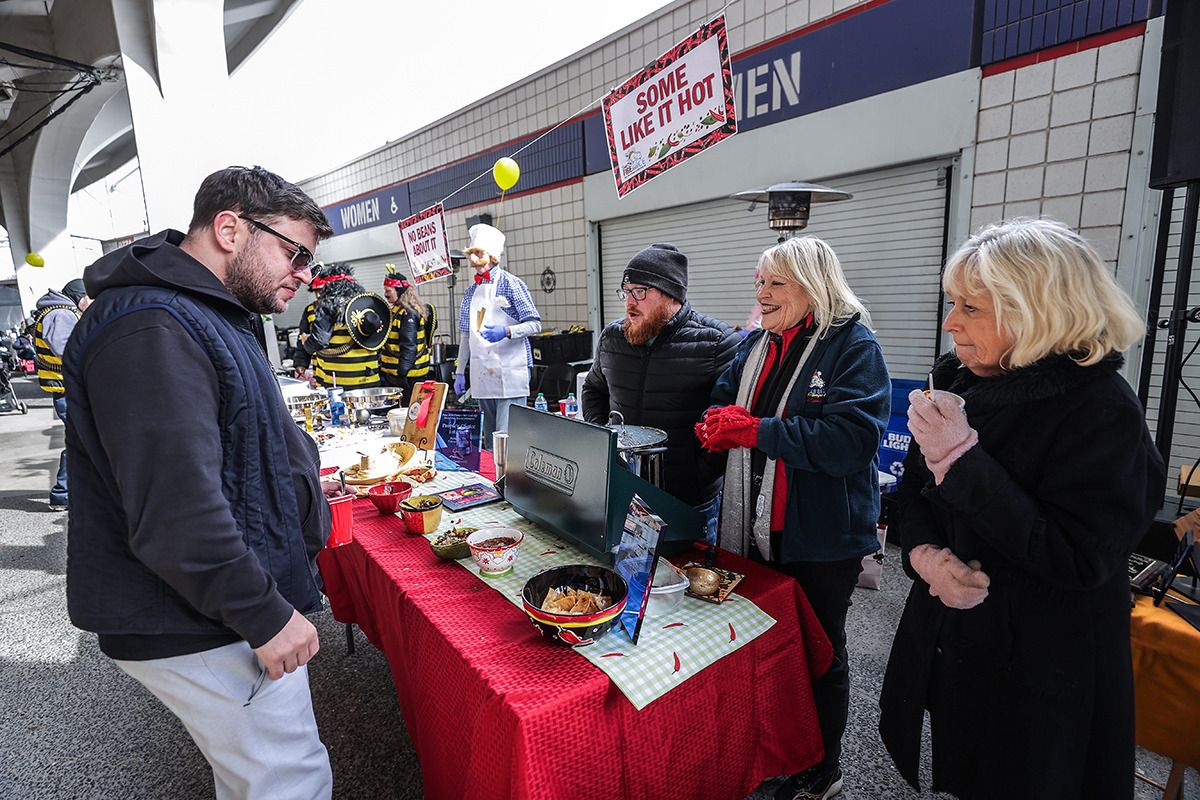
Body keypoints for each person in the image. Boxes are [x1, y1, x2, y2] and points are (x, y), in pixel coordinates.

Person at [63, 165, 341, 799]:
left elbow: (232, 443)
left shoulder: (203, 313)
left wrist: (293, 488)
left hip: (206, 606)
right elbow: (176, 508)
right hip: (201, 616)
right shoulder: (153, 324)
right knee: (286, 779)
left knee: (257, 777)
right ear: (229, 229)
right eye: (295, 253)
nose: (305, 275)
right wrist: (265, 615)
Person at [878, 217, 1165, 800]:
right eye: (951, 301)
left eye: (970, 308)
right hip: (963, 648)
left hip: (1045, 668)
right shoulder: (962, 375)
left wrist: (960, 459)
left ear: (1038, 311)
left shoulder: (1101, 408)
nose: (949, 322)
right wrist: (927, 558)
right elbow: (913, 498)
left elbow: (1081, 558)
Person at [696, 235, 890, 800]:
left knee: (819, 653)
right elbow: (722, 393)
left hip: (821, 535)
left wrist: (756, 431)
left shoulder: (854, 346)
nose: (762, 293)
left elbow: (850, 442)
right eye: (759, 282)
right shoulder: (757, 342)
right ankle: (774, 748)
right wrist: (713, 420)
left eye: (775, 283)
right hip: (753, 527)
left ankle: (822, 769)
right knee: (767, 648)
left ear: (814, 285)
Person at [581, 243, 740, 537]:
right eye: (626, 291)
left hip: (689, 502)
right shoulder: (613, 337)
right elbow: (593, 388)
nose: (629, 301)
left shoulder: (718, 342)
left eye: (639, 292)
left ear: (670, 296)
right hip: (624, 493)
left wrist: (696, 475)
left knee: (692, 580)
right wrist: (602, 440)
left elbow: (729, 422)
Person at [452, 223, 541, 447]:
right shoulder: (470, 291)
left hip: (512, 371)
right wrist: (460, 372)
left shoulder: (511, 284)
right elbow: (465, 335)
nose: (473, 261)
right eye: (471, 254)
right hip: (483, 373)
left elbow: (534, 324)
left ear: (492, 256)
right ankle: (490, 480)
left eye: (478, 254)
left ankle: (508, 481)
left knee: (506, 439)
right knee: (489, 441)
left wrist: (507, 331)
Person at [32, 278, 89, 511]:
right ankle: (62, 493)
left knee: (83, 440)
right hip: (68, 390)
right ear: (79, 296)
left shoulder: (61, 311)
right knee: (82, 441)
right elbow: (68, 350)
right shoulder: (61, 314)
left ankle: (67, 492)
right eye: (90, 297)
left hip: (67, 388)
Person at [302, 263, 389, 388]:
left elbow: (319, 340)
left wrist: (306, 344)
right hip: (369, 378)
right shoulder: (366, 306)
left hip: (338, 381)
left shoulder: (329, 307)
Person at [380, 266, 436, 395]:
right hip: (397, 373)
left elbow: (409, 346)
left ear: (399, 292)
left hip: (409, 375)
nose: (385, 294)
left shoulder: (408, 313)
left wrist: (402, 373)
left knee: (407, 411)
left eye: (389, 291)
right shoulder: (397, 310)